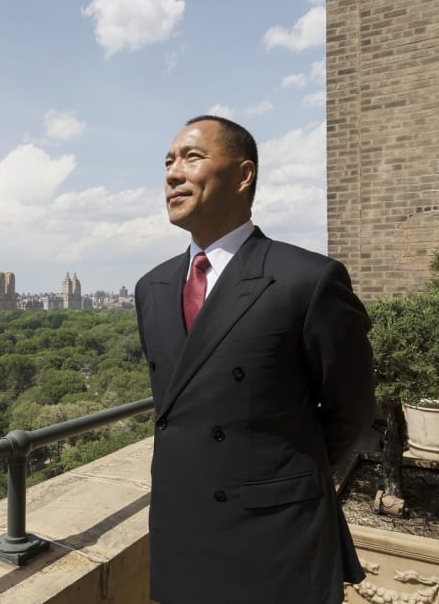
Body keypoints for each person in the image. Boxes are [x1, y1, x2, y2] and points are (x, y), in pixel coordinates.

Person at [134, 115, 375, 604]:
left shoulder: (307, 279)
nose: (173, 173)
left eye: (192, 157)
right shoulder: (151, 287)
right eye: (168, 162)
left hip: (276, 535)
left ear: (244, 175)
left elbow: (352, 411)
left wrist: (275, 477)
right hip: (183, 529)